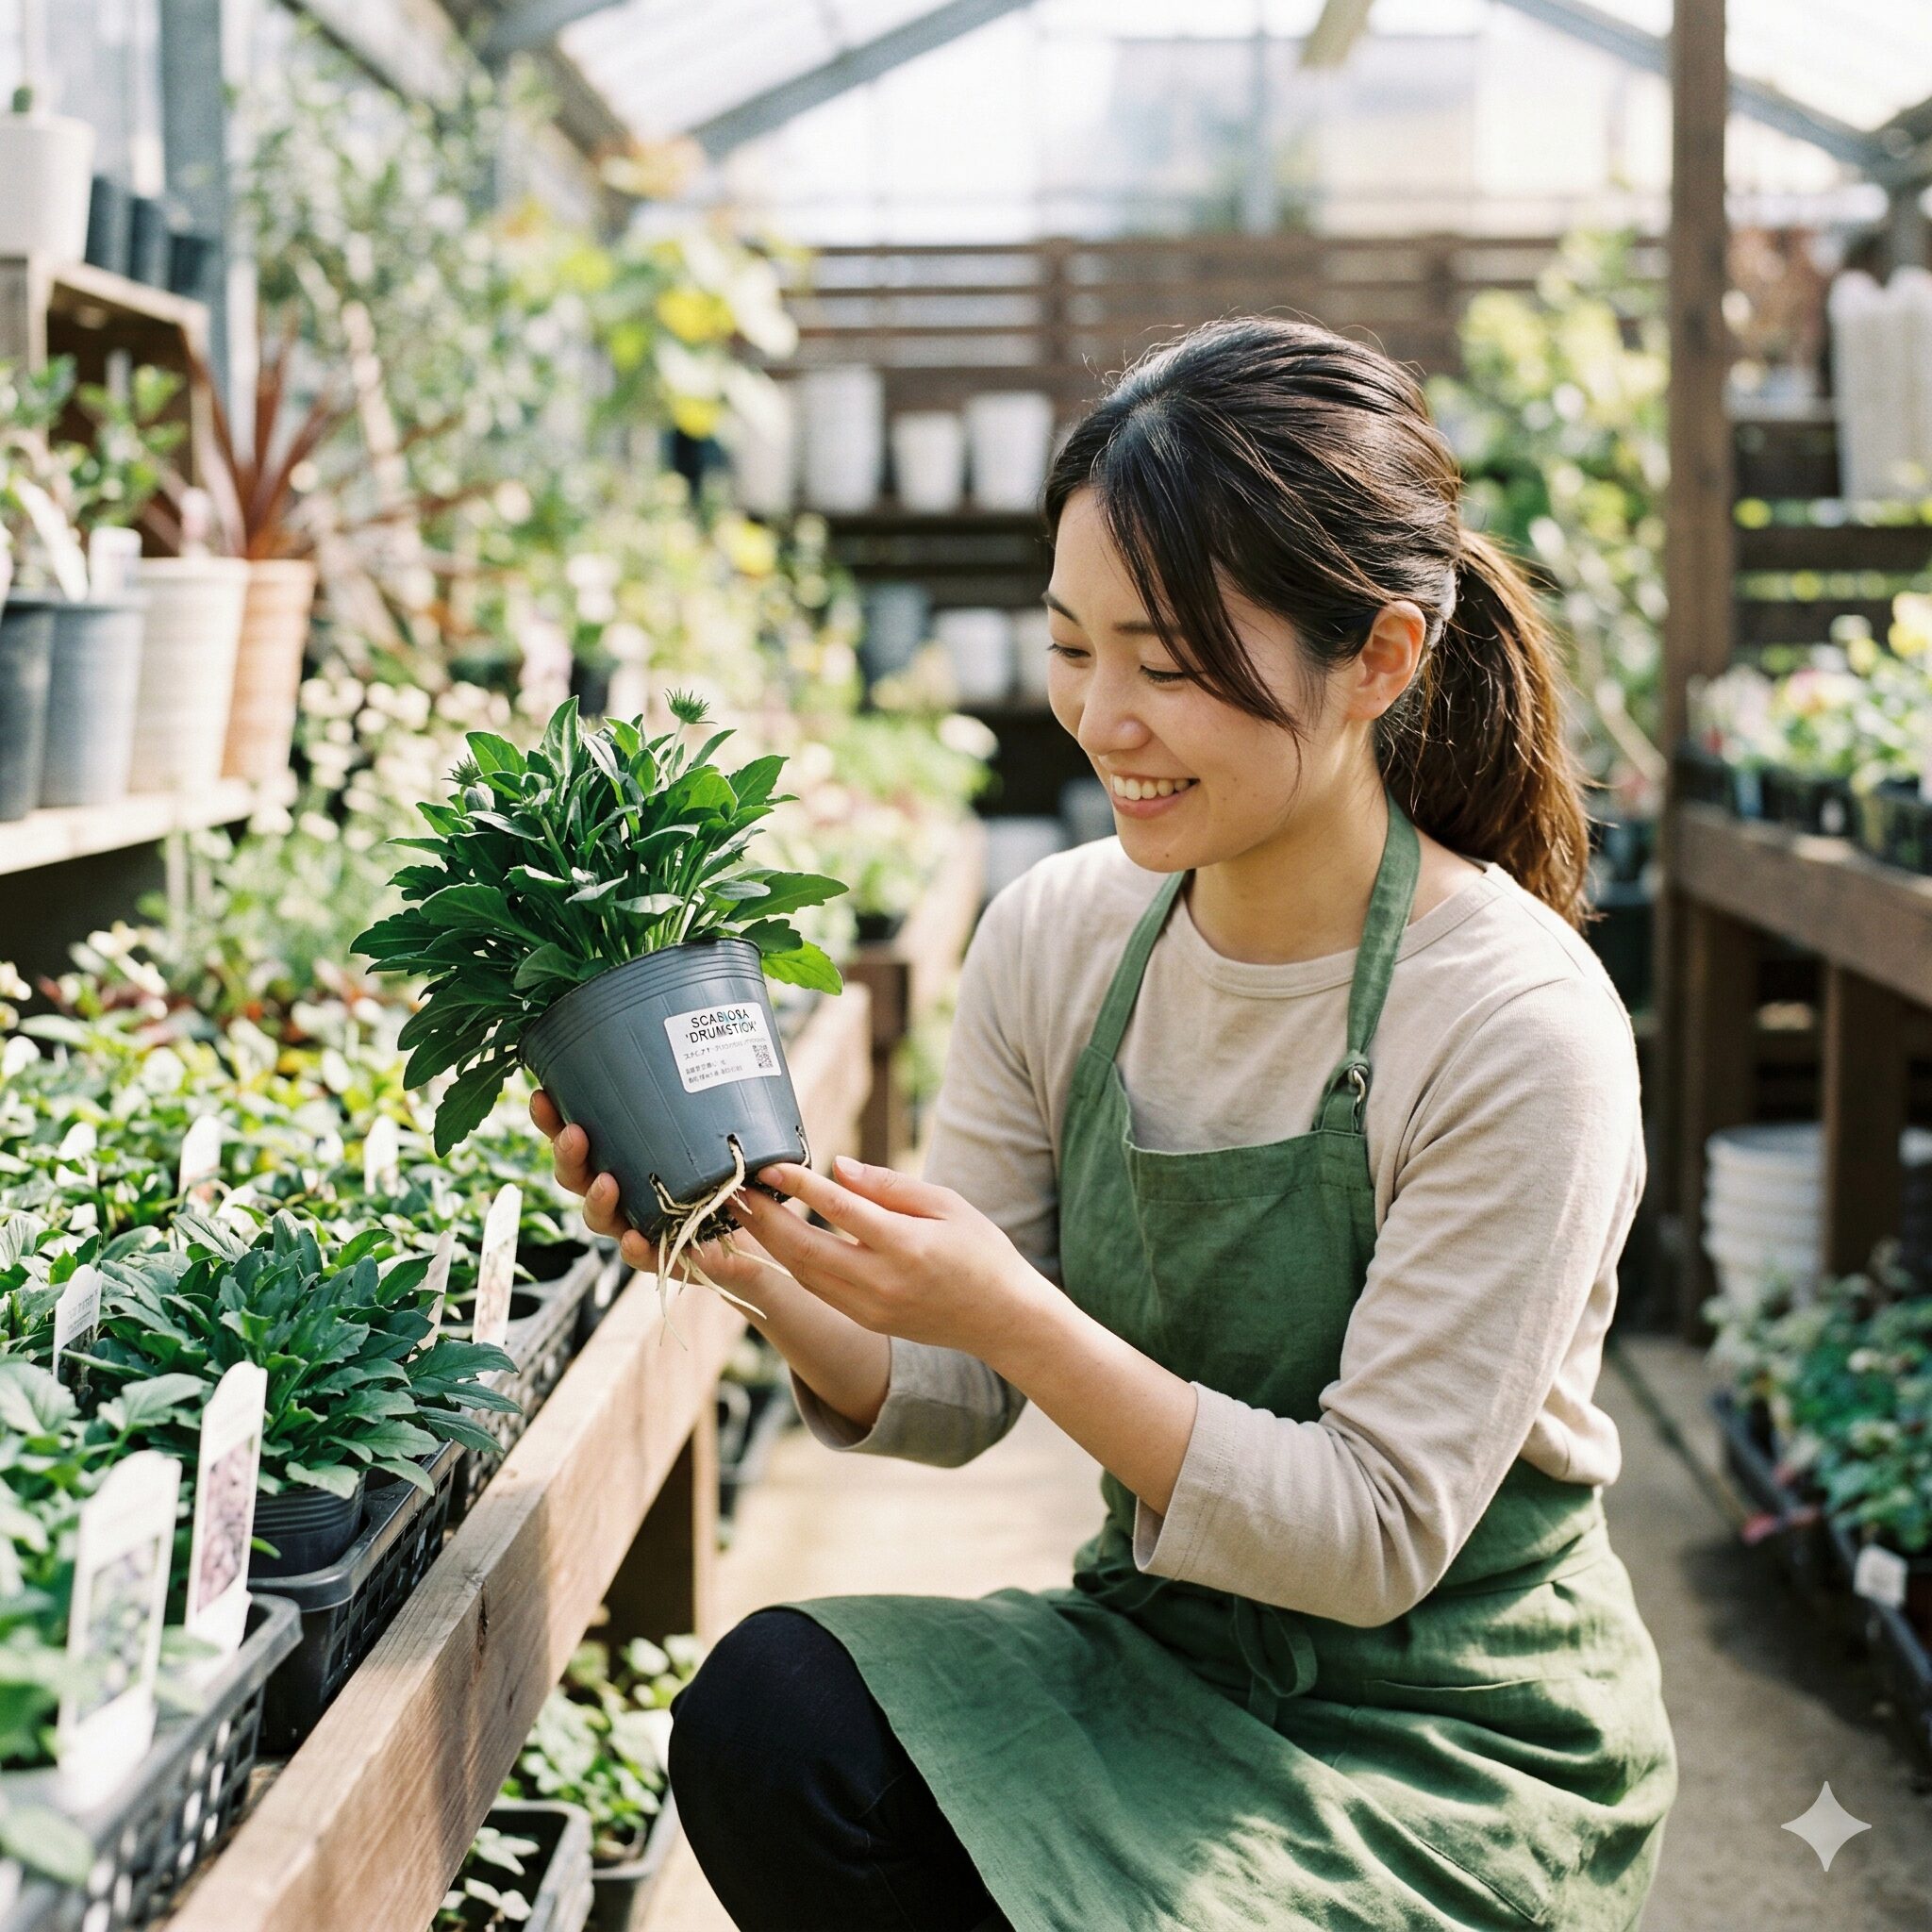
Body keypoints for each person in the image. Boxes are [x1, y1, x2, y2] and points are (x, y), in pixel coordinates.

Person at [532, 316, 1676, 1932]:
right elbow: (947, 1393)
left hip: (1452, 1742)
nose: (1104, 718)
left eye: (1174, 666)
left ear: (1382, 662)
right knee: (774, 1717)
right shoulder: (1059, 935)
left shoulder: (1514, 1019)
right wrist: (736, 1250)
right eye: (1076, 646)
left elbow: (1368, 1535)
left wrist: (1014, 1309)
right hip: (1161, 1657)